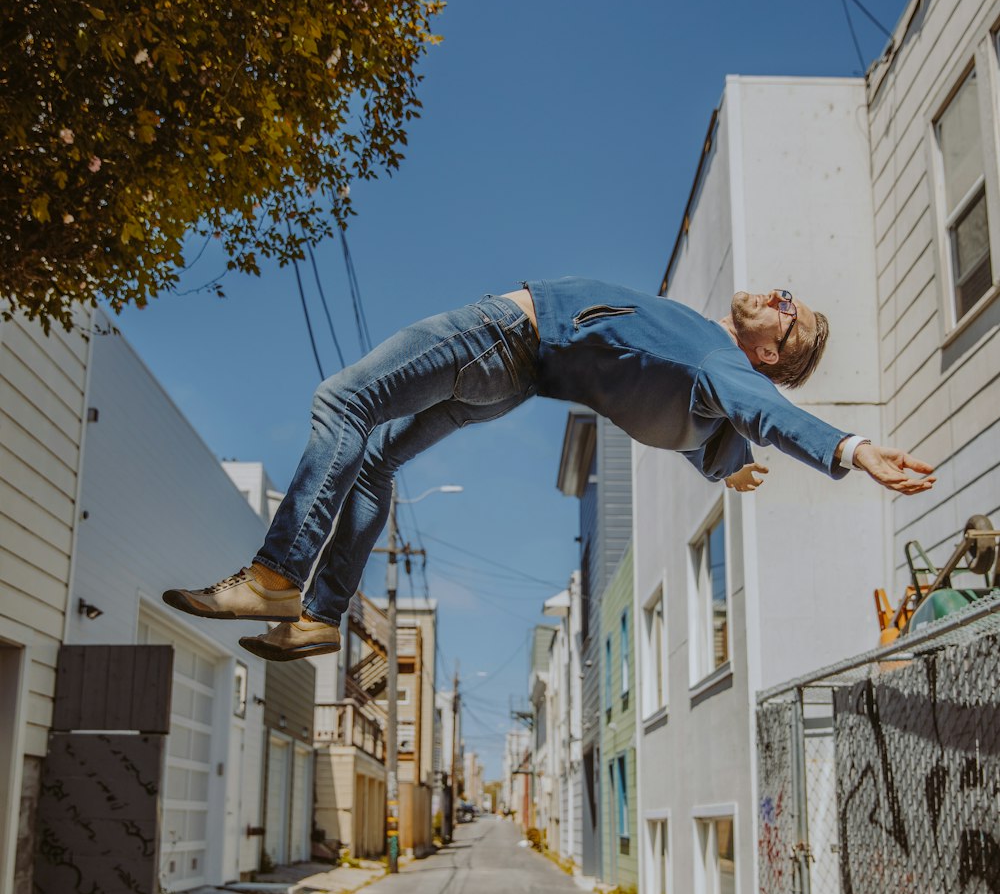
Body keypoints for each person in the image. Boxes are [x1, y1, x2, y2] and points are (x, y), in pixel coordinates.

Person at [163, 278, 934, 661]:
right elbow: (720, 425)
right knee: (372, 460)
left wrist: (852, 450)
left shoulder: (715, 357)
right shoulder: (705, 382)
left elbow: (764, 411)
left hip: (501, 338)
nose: (773, 293)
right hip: (512, 381)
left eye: (785, 306)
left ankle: (275, 574)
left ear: (767, 353)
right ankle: (322, 618)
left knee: (343, 401)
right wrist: (727, 464)